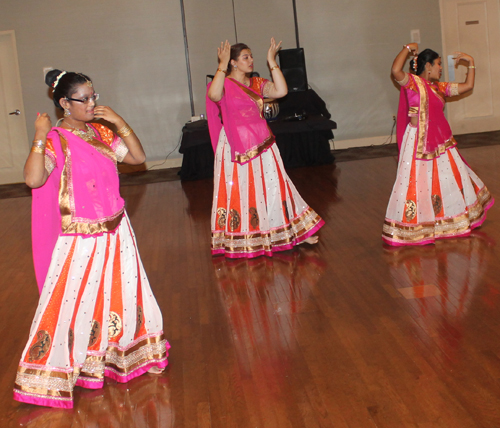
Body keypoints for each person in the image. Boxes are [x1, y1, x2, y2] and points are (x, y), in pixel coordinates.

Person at [14, 70, 170, 409]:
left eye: (94, 96)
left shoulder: (99, 132)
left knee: (120, 295)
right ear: (63, 104)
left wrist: (118, 121)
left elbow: (138, 158)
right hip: (81, 237)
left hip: (117, 230)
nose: (92, 103)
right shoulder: (57, 138)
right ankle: (57, 371)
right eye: (83, 99)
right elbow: (33, 179)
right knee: (73, 303)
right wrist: (39, 136)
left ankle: (116, 356)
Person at [206, 39, 324, 258]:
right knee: (240, 191)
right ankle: (245, 237)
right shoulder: (224, 84)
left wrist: (272, 61)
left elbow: (281, 91)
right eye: (245, 57)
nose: (251, 61)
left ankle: (294, 232)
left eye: (251, 56)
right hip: (235, 147)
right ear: (233, 62)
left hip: (263, 143)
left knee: (275, 187)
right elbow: (213, 96)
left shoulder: (257, 83)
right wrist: (221, 66)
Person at [382, 44, 494, 246]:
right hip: (417, 141)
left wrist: (471, 64)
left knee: (446, 180)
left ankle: (447, 221)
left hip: (440, 141)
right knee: (418, 183)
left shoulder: (438, 88)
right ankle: (417, 226)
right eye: (439, 64)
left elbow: (467, 86)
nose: (441, 68)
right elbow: (395, 70)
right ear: (428, 66)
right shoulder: (413, 83)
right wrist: (407, 48)